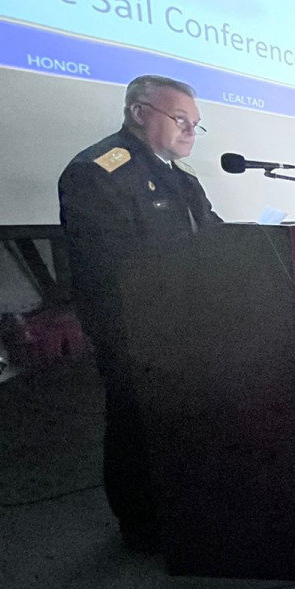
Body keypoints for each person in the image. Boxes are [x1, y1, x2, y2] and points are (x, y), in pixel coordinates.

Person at [58, 75, 222, 550]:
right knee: (136, 421)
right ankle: (140, 525)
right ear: (138, 112)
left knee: (185, 417)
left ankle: (187, 501)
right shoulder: (98, 171)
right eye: (180, 119)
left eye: (195, 124)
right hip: (132, 324)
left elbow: (213, 238)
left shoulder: (183, 179)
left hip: (188, 320)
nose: (190, 130)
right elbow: (108, 265)